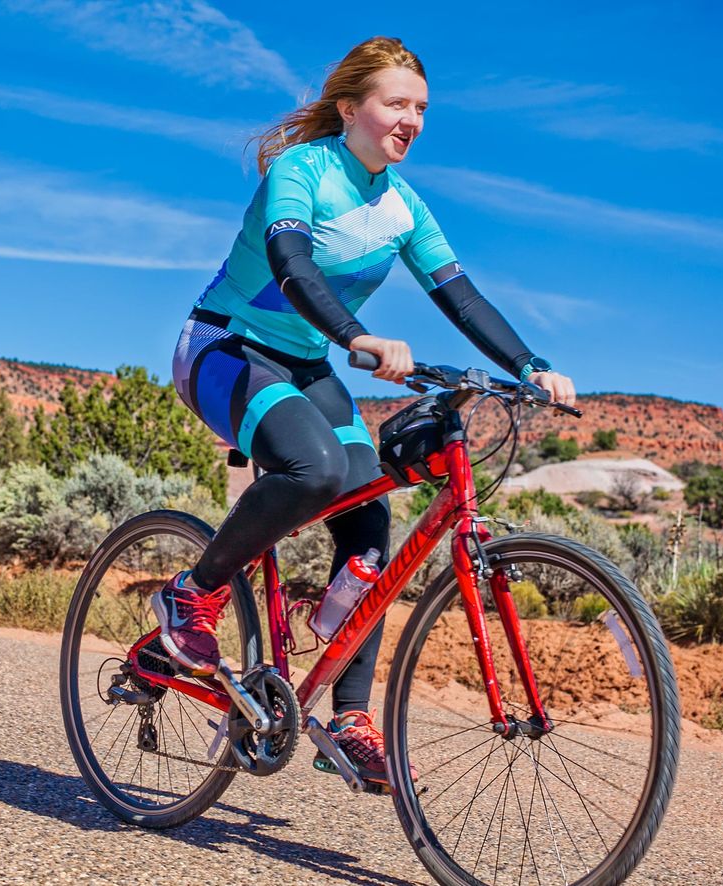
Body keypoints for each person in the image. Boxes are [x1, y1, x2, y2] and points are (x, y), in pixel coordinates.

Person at [153, 36, 576, 787]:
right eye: (396, 104)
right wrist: (357, 335)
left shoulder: (404, 206)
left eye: (421, 108)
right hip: (225, 347)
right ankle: (195, 593)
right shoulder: (301, 171)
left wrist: (532, 368)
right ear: (350, 107)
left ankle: (345, 716)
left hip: (306, 364)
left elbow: (461, 294)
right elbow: (292, 265)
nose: (410, 120)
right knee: (313, 467)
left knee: (369, 501)